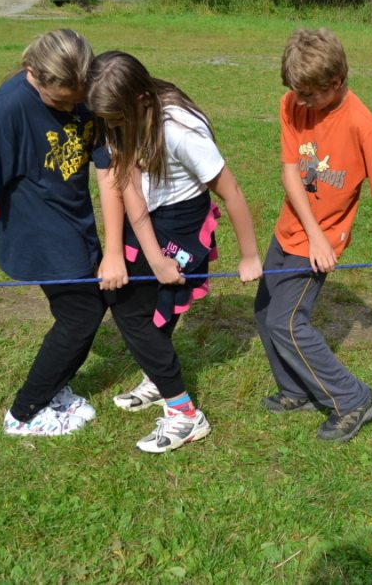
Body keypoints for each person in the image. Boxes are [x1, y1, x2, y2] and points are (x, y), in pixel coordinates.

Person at [0, 29, 124, 437]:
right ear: (32, 72)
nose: (72, 108)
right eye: (61, 102)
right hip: (36, 231)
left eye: (77, 99)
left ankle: (53, 388)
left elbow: (107, 171)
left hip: (75, 222)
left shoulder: (87, 90)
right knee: (81, 314)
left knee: (91, 306)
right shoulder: (8, 109)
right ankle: (25, 413)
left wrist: (113, 250)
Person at [254, 27, 372, 444]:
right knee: (264, 312)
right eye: (295, 92)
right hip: (292, 228)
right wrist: (309, 231)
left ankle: (353, 399)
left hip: (322, 242)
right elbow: (290, 171)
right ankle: (296, 389)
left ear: (334, 82)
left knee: (287, 322)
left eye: (308, 94)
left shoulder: (361, 124)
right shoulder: (291, 103)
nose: (300, 102)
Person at [87, 51, 263, 453]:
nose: (112, 128)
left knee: (132, 310)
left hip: (183, 221)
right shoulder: (122, 119)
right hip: (149, 216)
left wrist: (249, 255)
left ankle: (185, 415)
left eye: (117, 120)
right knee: (137, 303)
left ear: (141, 100)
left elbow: (232, 192)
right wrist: (153, 257)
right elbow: (130, 188)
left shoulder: (182, 132)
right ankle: (158, 377)